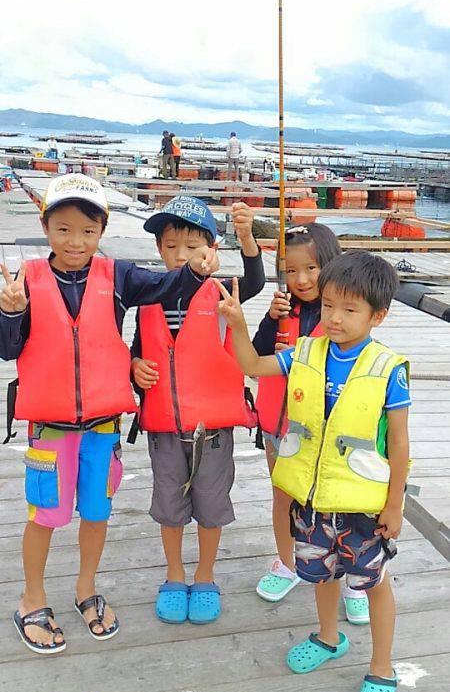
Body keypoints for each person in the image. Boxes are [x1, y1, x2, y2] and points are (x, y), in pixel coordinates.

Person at [0, 174, 219, 655]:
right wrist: (10, 312)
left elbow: (166, 285)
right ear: (45, 227)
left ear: (102, 231)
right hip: (50, 431)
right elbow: (8, 349)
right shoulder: (26, 280)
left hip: (102, 428)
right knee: (45, 515)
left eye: (87, 231)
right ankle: (31, 598)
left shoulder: (117, 276)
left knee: (96, 511)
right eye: (62, 229)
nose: (75, 242)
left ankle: (86, 588)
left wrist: (196, 271)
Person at [215, 250, 410, 692]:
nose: (334, 318)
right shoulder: (304, 352)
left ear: (377, 316)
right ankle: (328, 636)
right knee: (322, 574)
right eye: (328, 306)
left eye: (349, 309)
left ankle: (381, 667)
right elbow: (252, 365)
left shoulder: (388, 368)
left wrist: (394, 505)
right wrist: (237, 324)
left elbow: (400, 444)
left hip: (363, 507)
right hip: (312, 500)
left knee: (374, 583)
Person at [130, 195, 265, 625]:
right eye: (171, 246)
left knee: (211, 505)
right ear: (158, 249)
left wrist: (246, 236)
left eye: (192, 246)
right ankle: (174, 574)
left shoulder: (223, 291)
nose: (180, 255)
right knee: (169, 507)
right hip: (165, 430)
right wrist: (135, 367)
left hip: (214, 431)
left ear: (211, 249)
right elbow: (137, 349)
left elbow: (256, 279)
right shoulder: (149, 295)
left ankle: (205, 576)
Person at [252, 224, 370, 625]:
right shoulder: (282, 310)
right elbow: (256, 357)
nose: (300, 280)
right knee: (283, 498)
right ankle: (287, 563)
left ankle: (354, 581)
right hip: (281, 428)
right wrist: (271, 320)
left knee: (341, 505)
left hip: (329, 435)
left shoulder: (343, 317)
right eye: (290, 270)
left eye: (311, 269)